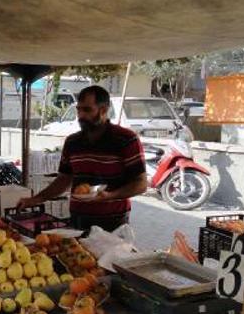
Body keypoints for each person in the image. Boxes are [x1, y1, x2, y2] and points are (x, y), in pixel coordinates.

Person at [17, 86, 147, 232]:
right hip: (78, 218)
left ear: (103, 110)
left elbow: (141, 184)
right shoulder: (72, 142)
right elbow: (63, 180)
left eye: (87, 110)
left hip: (113, 222)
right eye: (78, 110)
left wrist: (110, 196)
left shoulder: (126, 139)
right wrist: (35, 200)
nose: (80, 115)